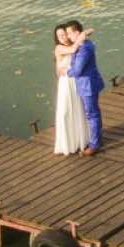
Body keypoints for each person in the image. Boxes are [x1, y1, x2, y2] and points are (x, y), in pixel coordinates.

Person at [61, 18, 106, 156]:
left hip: (88, 85)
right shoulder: (85, 43)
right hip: (89, 83)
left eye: (69, 33)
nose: (68, 36)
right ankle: (96, 137)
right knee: (93, 112)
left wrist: (67, 71)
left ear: (76, 33)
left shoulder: (84, 49)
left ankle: (94, 145)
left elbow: (78, 70)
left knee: (92, 114)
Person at [50, 23, 88, 155]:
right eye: (59, 35)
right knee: (65, 111)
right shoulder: (59, 48)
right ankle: (67, 143)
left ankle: (80, 140)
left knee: (78, 108)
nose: (62, 37)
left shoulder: (72, 45)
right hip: (66, 82)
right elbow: (72, 50)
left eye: (64, 34)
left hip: (74, 81)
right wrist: (82, 36)